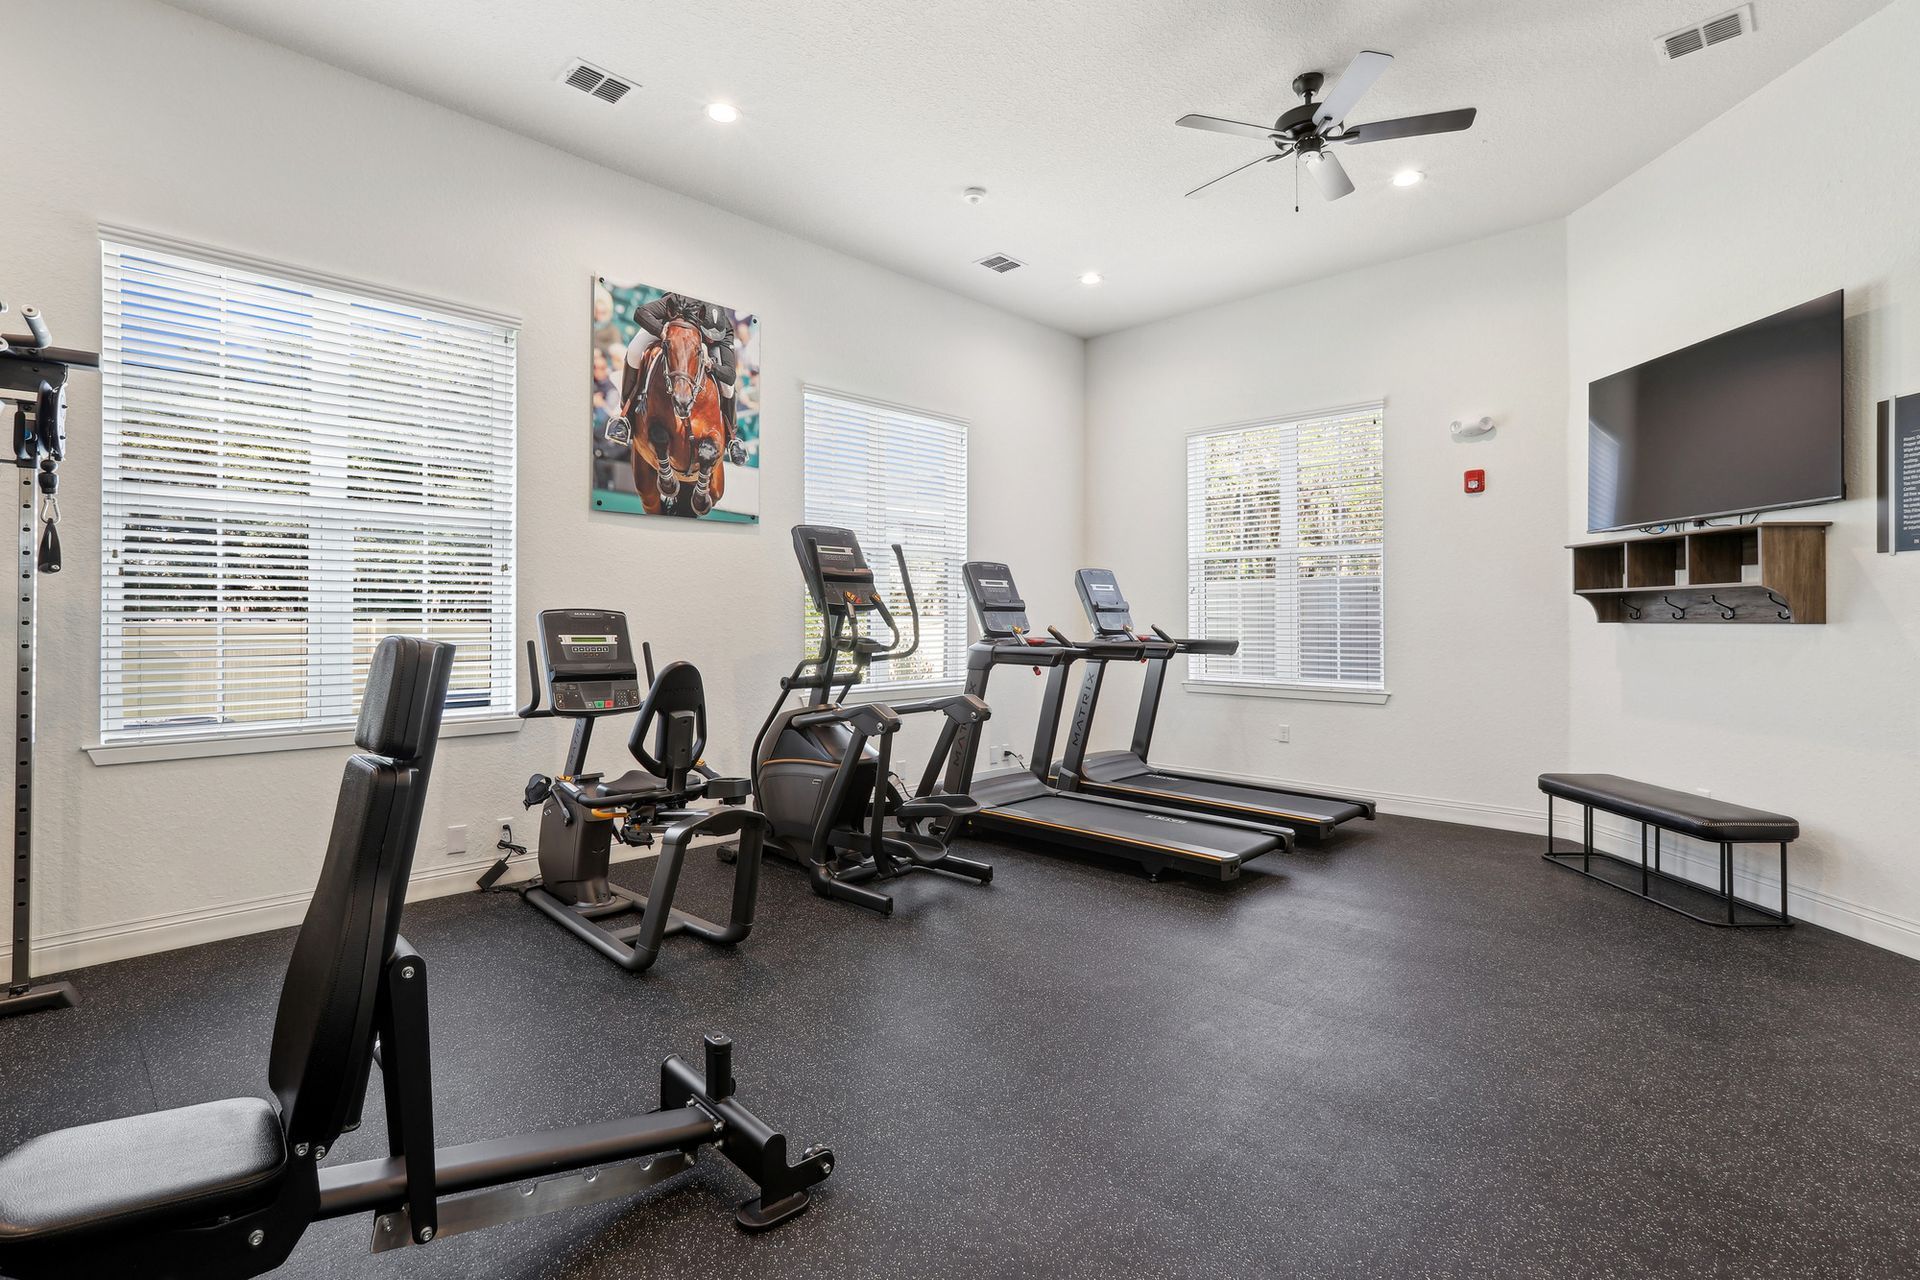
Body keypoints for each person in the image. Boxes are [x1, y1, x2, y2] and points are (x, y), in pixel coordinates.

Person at [606, 293, 744, 462]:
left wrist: (712, 365)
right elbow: (640, 312)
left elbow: (730, 376)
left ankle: (732, 438)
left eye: (714, 336)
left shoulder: (725, 328)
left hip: (699, 341)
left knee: (727, 387)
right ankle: (625, 418)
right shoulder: (680, 300)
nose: (710, 339)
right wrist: (661, 331)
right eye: (707, 334)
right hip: (672, 328)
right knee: (634, 351)